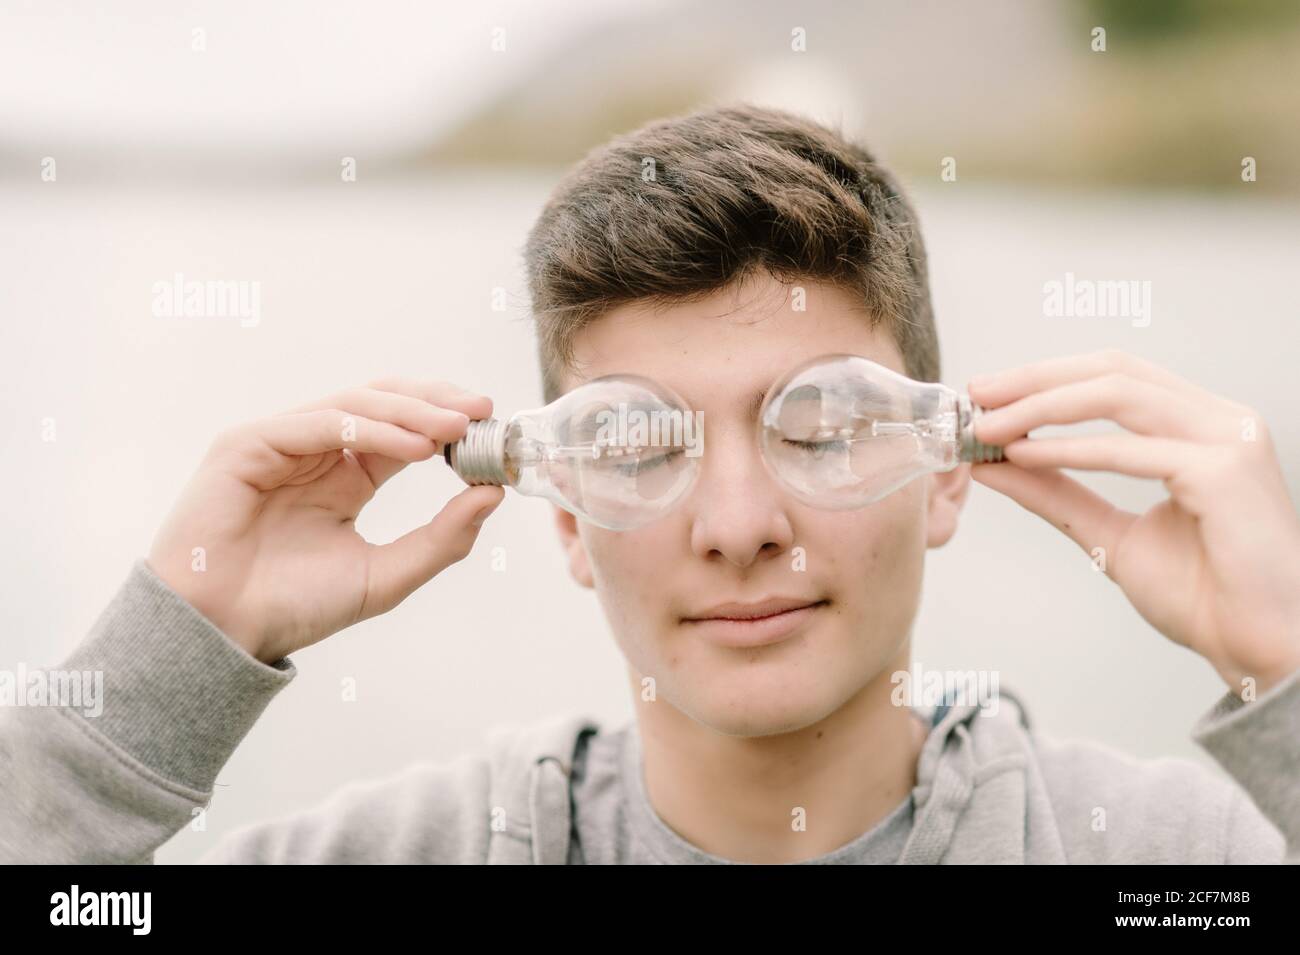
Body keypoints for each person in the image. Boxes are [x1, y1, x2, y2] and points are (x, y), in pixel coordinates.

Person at [2, 104, 1296, 864]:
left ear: (947, 468)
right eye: (636, 445)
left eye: (827, 424)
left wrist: (1289, 667)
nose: (738, 528)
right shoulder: (424, 852)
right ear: (563, 507)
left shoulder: (1163, 858)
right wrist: (159, 679)